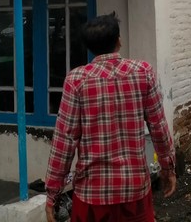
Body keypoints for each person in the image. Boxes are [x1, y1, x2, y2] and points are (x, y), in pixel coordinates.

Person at [45, 13, 176, 222]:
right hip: (134, 190)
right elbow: (158, 127)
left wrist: (53, 191)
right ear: (119, 41)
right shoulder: (143, 73)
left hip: (92, 195)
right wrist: (168, 167)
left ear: (89, 47)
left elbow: (65, 140)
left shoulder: (76, 80)